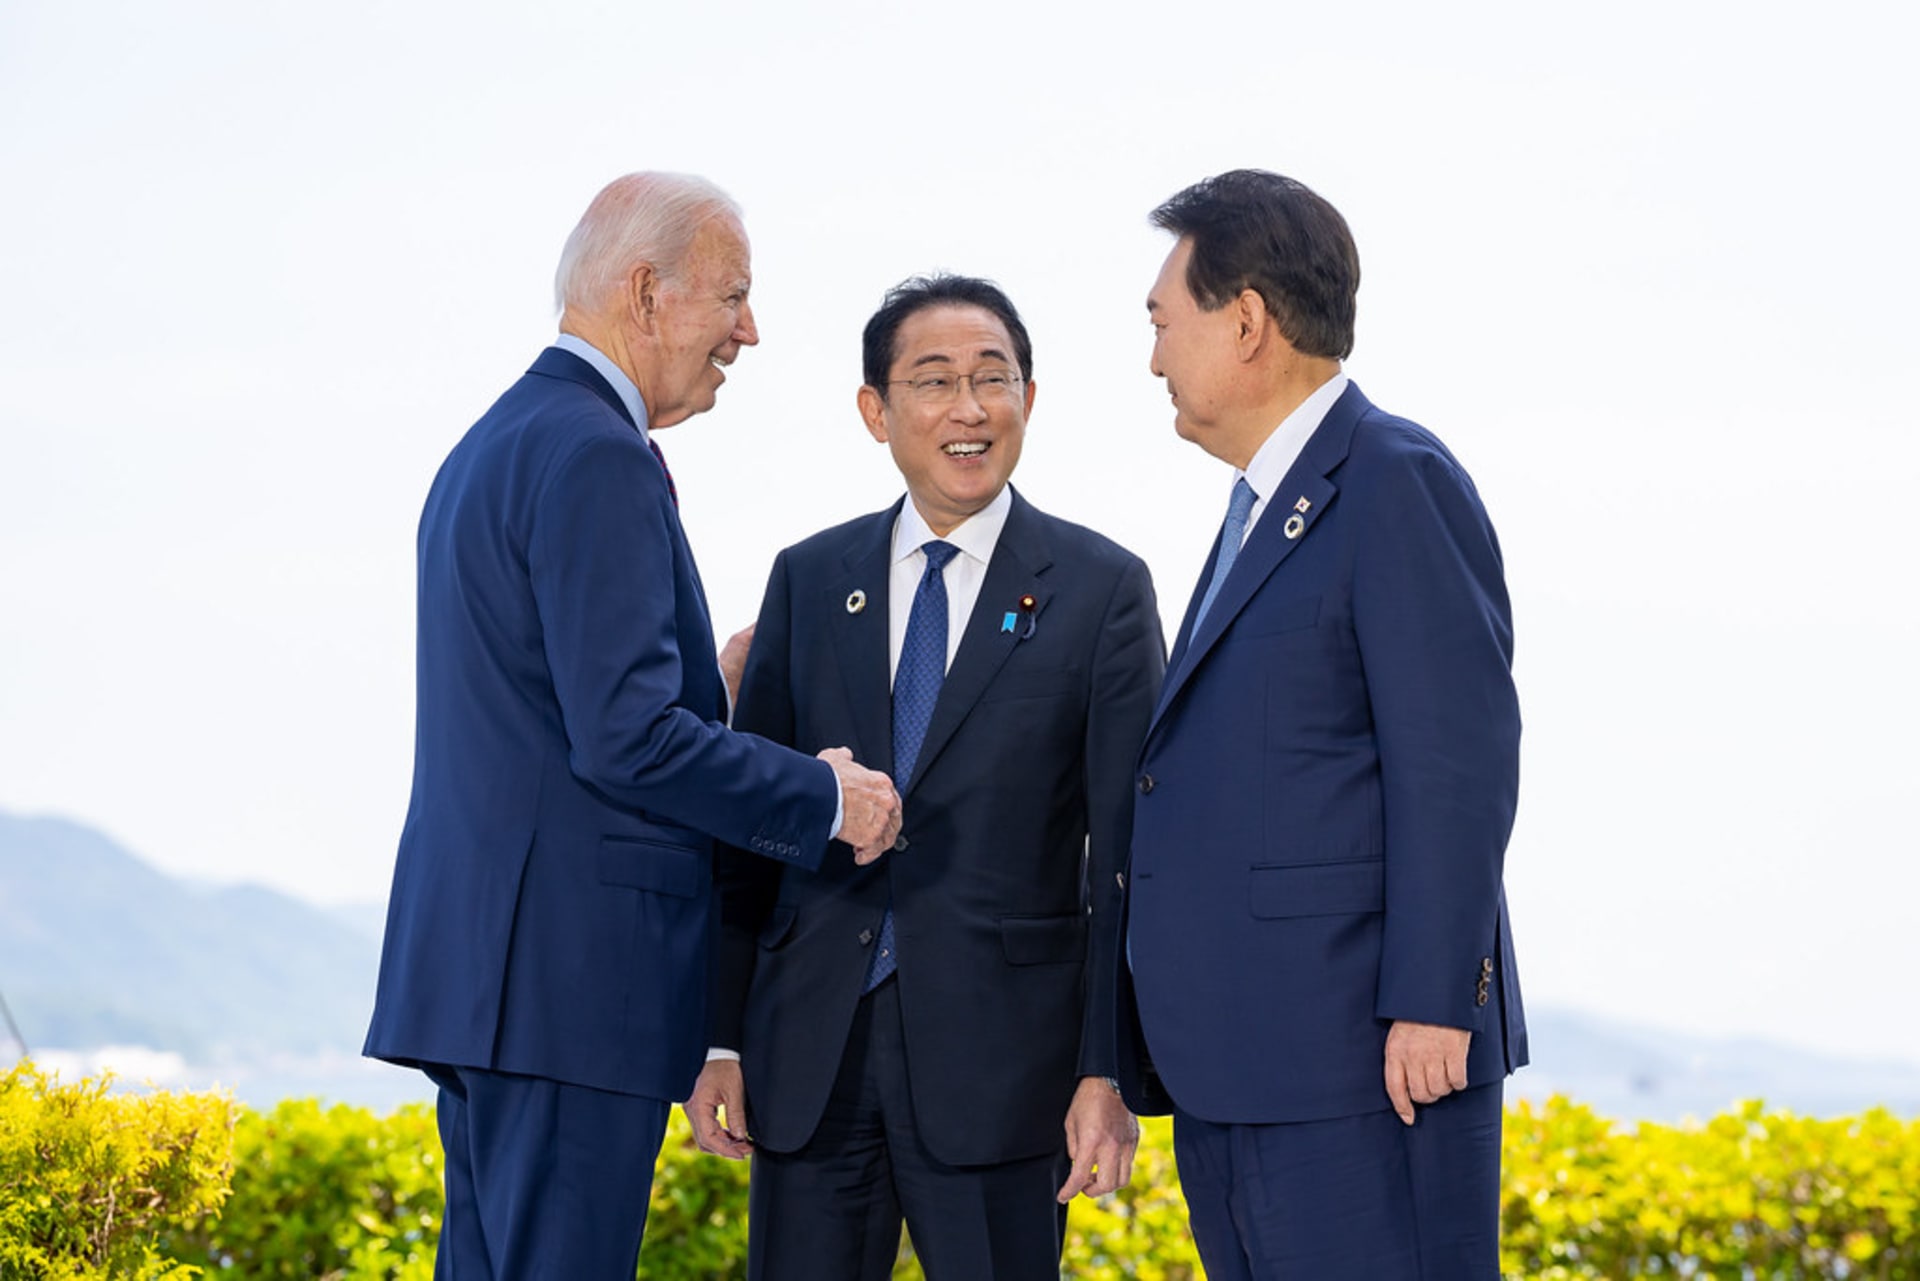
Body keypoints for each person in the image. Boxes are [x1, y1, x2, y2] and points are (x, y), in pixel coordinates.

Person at [362, 172, 902, 1280]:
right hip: (569, 983)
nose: (750, 332)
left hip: (495, 981)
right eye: (733, 297)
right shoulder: (598, 453)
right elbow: (626, 741)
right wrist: (824, 798)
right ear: (648, 293)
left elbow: (552, 706)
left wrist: (710, 685)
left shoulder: (499, 444)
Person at [687, 274, 1165, 1281]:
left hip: (1008, 1068)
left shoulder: (1102, 591)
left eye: (994, 380)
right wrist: (720, 1037)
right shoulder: (809, 580)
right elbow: (746, 833)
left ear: (1028, 400)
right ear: (877, 410)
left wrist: (1104, 1066)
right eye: (935, 381)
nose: (969, 409)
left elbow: (1128, 853)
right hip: (811, 1049)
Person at [1117, 169, 1528, 1280]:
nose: (1154, 358)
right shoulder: (1257, 509)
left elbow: (1457, 762)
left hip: (1370, 1067)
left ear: (1244, 319)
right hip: (1243, 1068)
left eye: (1164, 323)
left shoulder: (1396, 478)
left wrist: (1437, 1005)